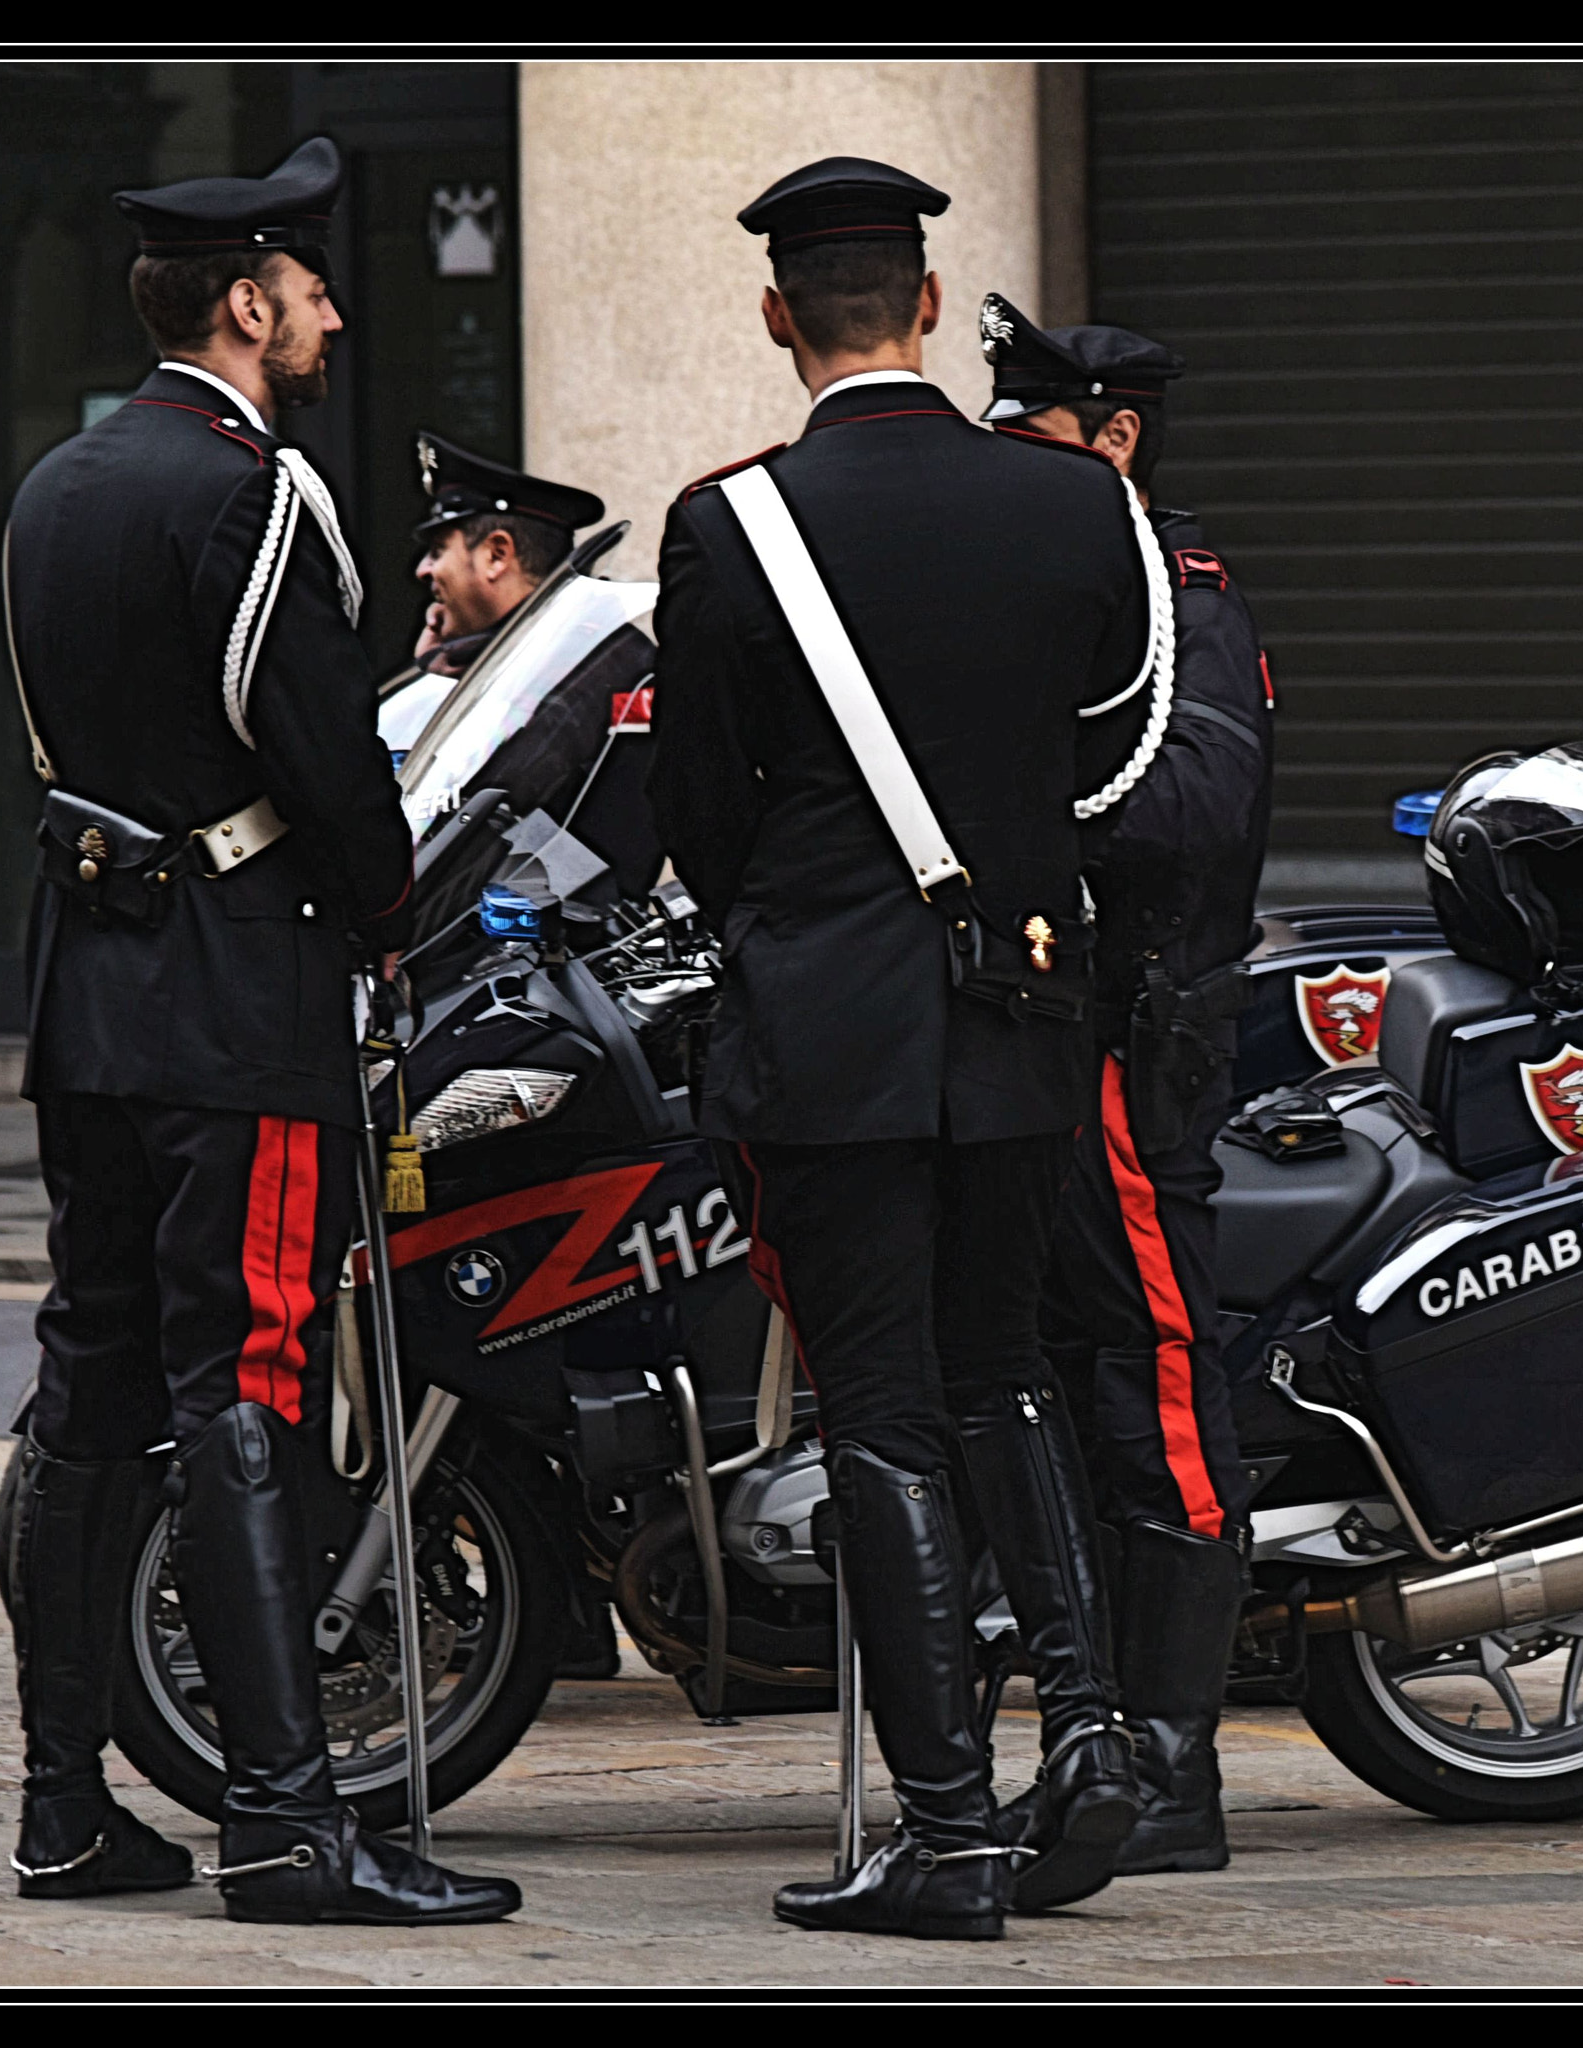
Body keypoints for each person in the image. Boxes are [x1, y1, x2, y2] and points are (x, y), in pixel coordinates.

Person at [0, 136, 519, 1926]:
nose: (327, 315)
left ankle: (63, 1805)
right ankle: (291, 1823)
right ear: (244, 305)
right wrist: (393, 913)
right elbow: (322, 762)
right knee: (255, 1384)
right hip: (237, 994)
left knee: (88, 1388)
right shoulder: (261, 493)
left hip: (90, 989)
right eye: (305, 291)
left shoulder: (55, 483)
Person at [647, 159, 1160, 1939]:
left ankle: (944, 1825)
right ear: (930, 306)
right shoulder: (1072, 508)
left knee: (877, 1408)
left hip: (830, 1021)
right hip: (1022, 1003)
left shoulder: (730, 528)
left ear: (778, 314)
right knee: (1005, 1365)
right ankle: (1088, 1733)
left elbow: (698, 812)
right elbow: (1114, 757)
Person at [981, 296, 1276, 1876]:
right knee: (1051, 1371)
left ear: (1113, 438)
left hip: (1130, 1036)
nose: (1003, 467)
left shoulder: (1182, 599)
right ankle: (1093, 1738)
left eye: (1030, 437)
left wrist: (1018, 808)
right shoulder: (1064, 581)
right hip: (1038, 1032)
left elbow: (1195, 800)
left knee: (1155, 1374)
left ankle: (1174, 1764)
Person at [408, 432, 604, 675]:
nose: (422, 570)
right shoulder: (543, 656)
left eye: (438, 551)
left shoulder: (583, 667)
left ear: (497, 555)